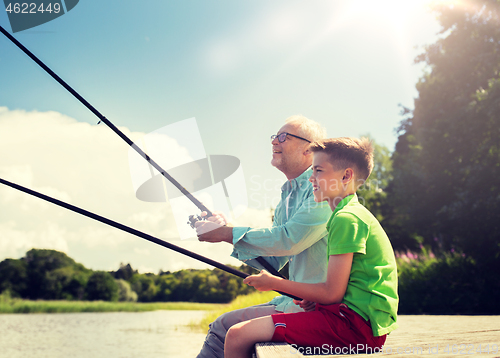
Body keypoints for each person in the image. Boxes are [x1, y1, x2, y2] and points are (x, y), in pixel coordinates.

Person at [223, 137, 399, 358]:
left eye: (318, 171)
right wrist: (314, 301)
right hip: (354, 321)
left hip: (356, 328)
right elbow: (341, 290)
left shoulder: (347, 218)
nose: (311, 179)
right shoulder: (349, 214)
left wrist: (275, 283)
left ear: (346, 176)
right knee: (240, 333)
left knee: (238, 334)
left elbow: (331, 293)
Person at [195, 115, 332, 358]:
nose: (273, 142)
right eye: (274, 137)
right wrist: (227, 231)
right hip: (296, 302)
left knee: (223, 328)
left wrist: (229, 234)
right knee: (221, 326)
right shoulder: (287, 197)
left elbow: (290, 239)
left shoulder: (321, 189)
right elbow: (275, 259)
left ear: (308, 149)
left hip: (318, 306)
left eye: (282, 137)